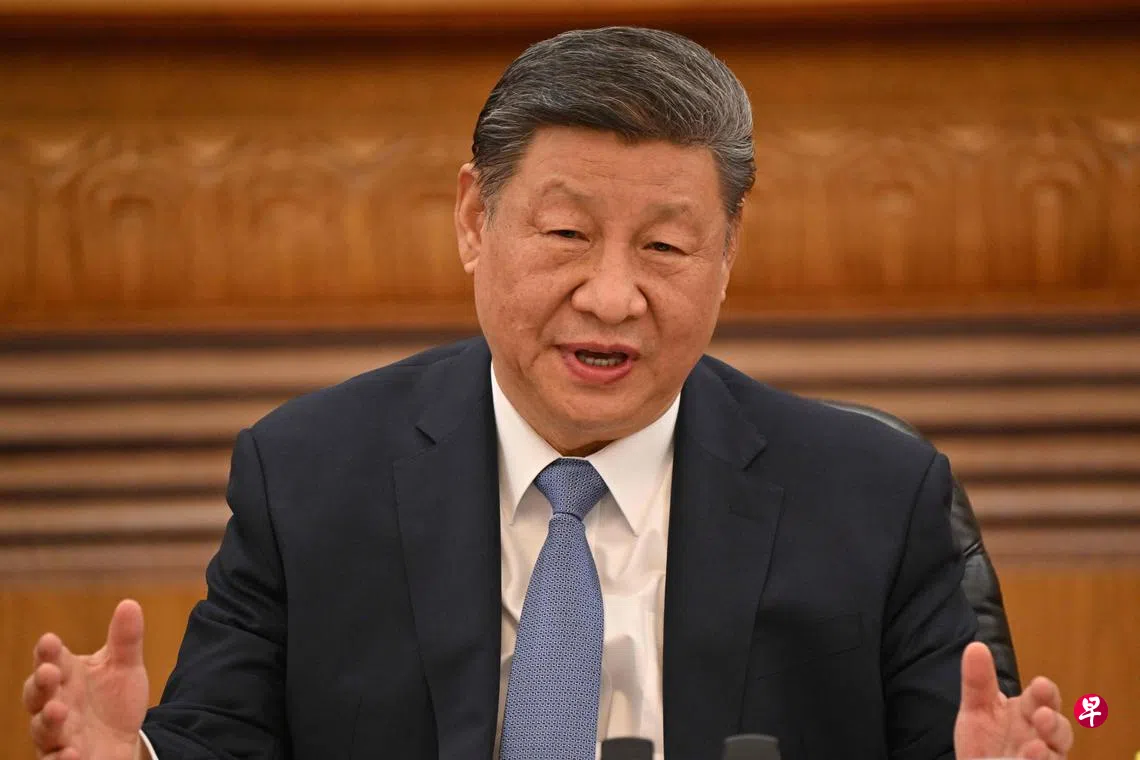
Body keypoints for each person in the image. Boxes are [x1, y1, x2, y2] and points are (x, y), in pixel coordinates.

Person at [23, 26, 1072, 760]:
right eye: (567, 233)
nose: (611, 296)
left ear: (728, 252)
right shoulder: (308, 475)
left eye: (665, 247)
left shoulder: (875, 498)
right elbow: (219, 741)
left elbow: (964, 738)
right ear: (474, 221)